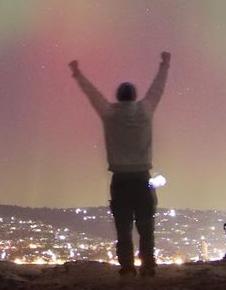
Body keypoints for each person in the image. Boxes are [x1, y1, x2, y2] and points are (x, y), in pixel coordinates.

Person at [69, 51, 171, 275]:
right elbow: (157, 88)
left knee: (123, 228)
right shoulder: (145, 111)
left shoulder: (109, 113)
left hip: (120, 179)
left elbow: (92, 94)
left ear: (118, 96)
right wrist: (165, 65)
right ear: (134, 96)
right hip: (143, 177)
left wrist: (78, 74)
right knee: (146, 226)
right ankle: (148, 266)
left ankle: (126, 268)